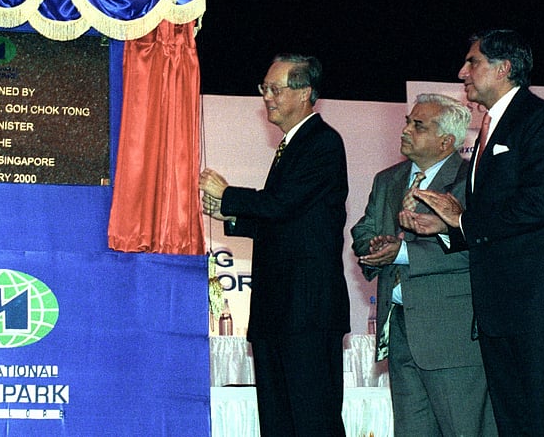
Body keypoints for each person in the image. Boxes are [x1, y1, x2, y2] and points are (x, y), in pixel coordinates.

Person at [402, 30, 544, 435]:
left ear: (504, 68)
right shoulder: (489, 128)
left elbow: (539, 204)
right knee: (512, 423)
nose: (462, 72)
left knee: (539, 420)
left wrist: (463, 221)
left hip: (533, 309)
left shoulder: (542, 122)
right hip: (497, 311)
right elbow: (487, 217)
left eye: (473, 62)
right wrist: (447, 228)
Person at [200, 54, 349, 436]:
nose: (267, 97)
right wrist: (229, 215)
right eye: (264, 88)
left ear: (305, 93)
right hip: (277, 311)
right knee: (279, 422)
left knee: (313, 419)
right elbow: (288, 222)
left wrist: (229, 193)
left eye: (275, 88)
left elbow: (284, 203)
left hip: (306, 311)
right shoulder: (291, 146)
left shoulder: (323, 143)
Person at [351, 93, 496, 436]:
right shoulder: (388, 180)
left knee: (464, 430)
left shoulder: (471, 182)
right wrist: (374, 247)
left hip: (452, 336)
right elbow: (364, 228)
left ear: (447, 140)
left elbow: (477, 247)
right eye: (407, 121)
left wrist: (401, 253)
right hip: (400, 329)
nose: (406, 130)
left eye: (418, 125)